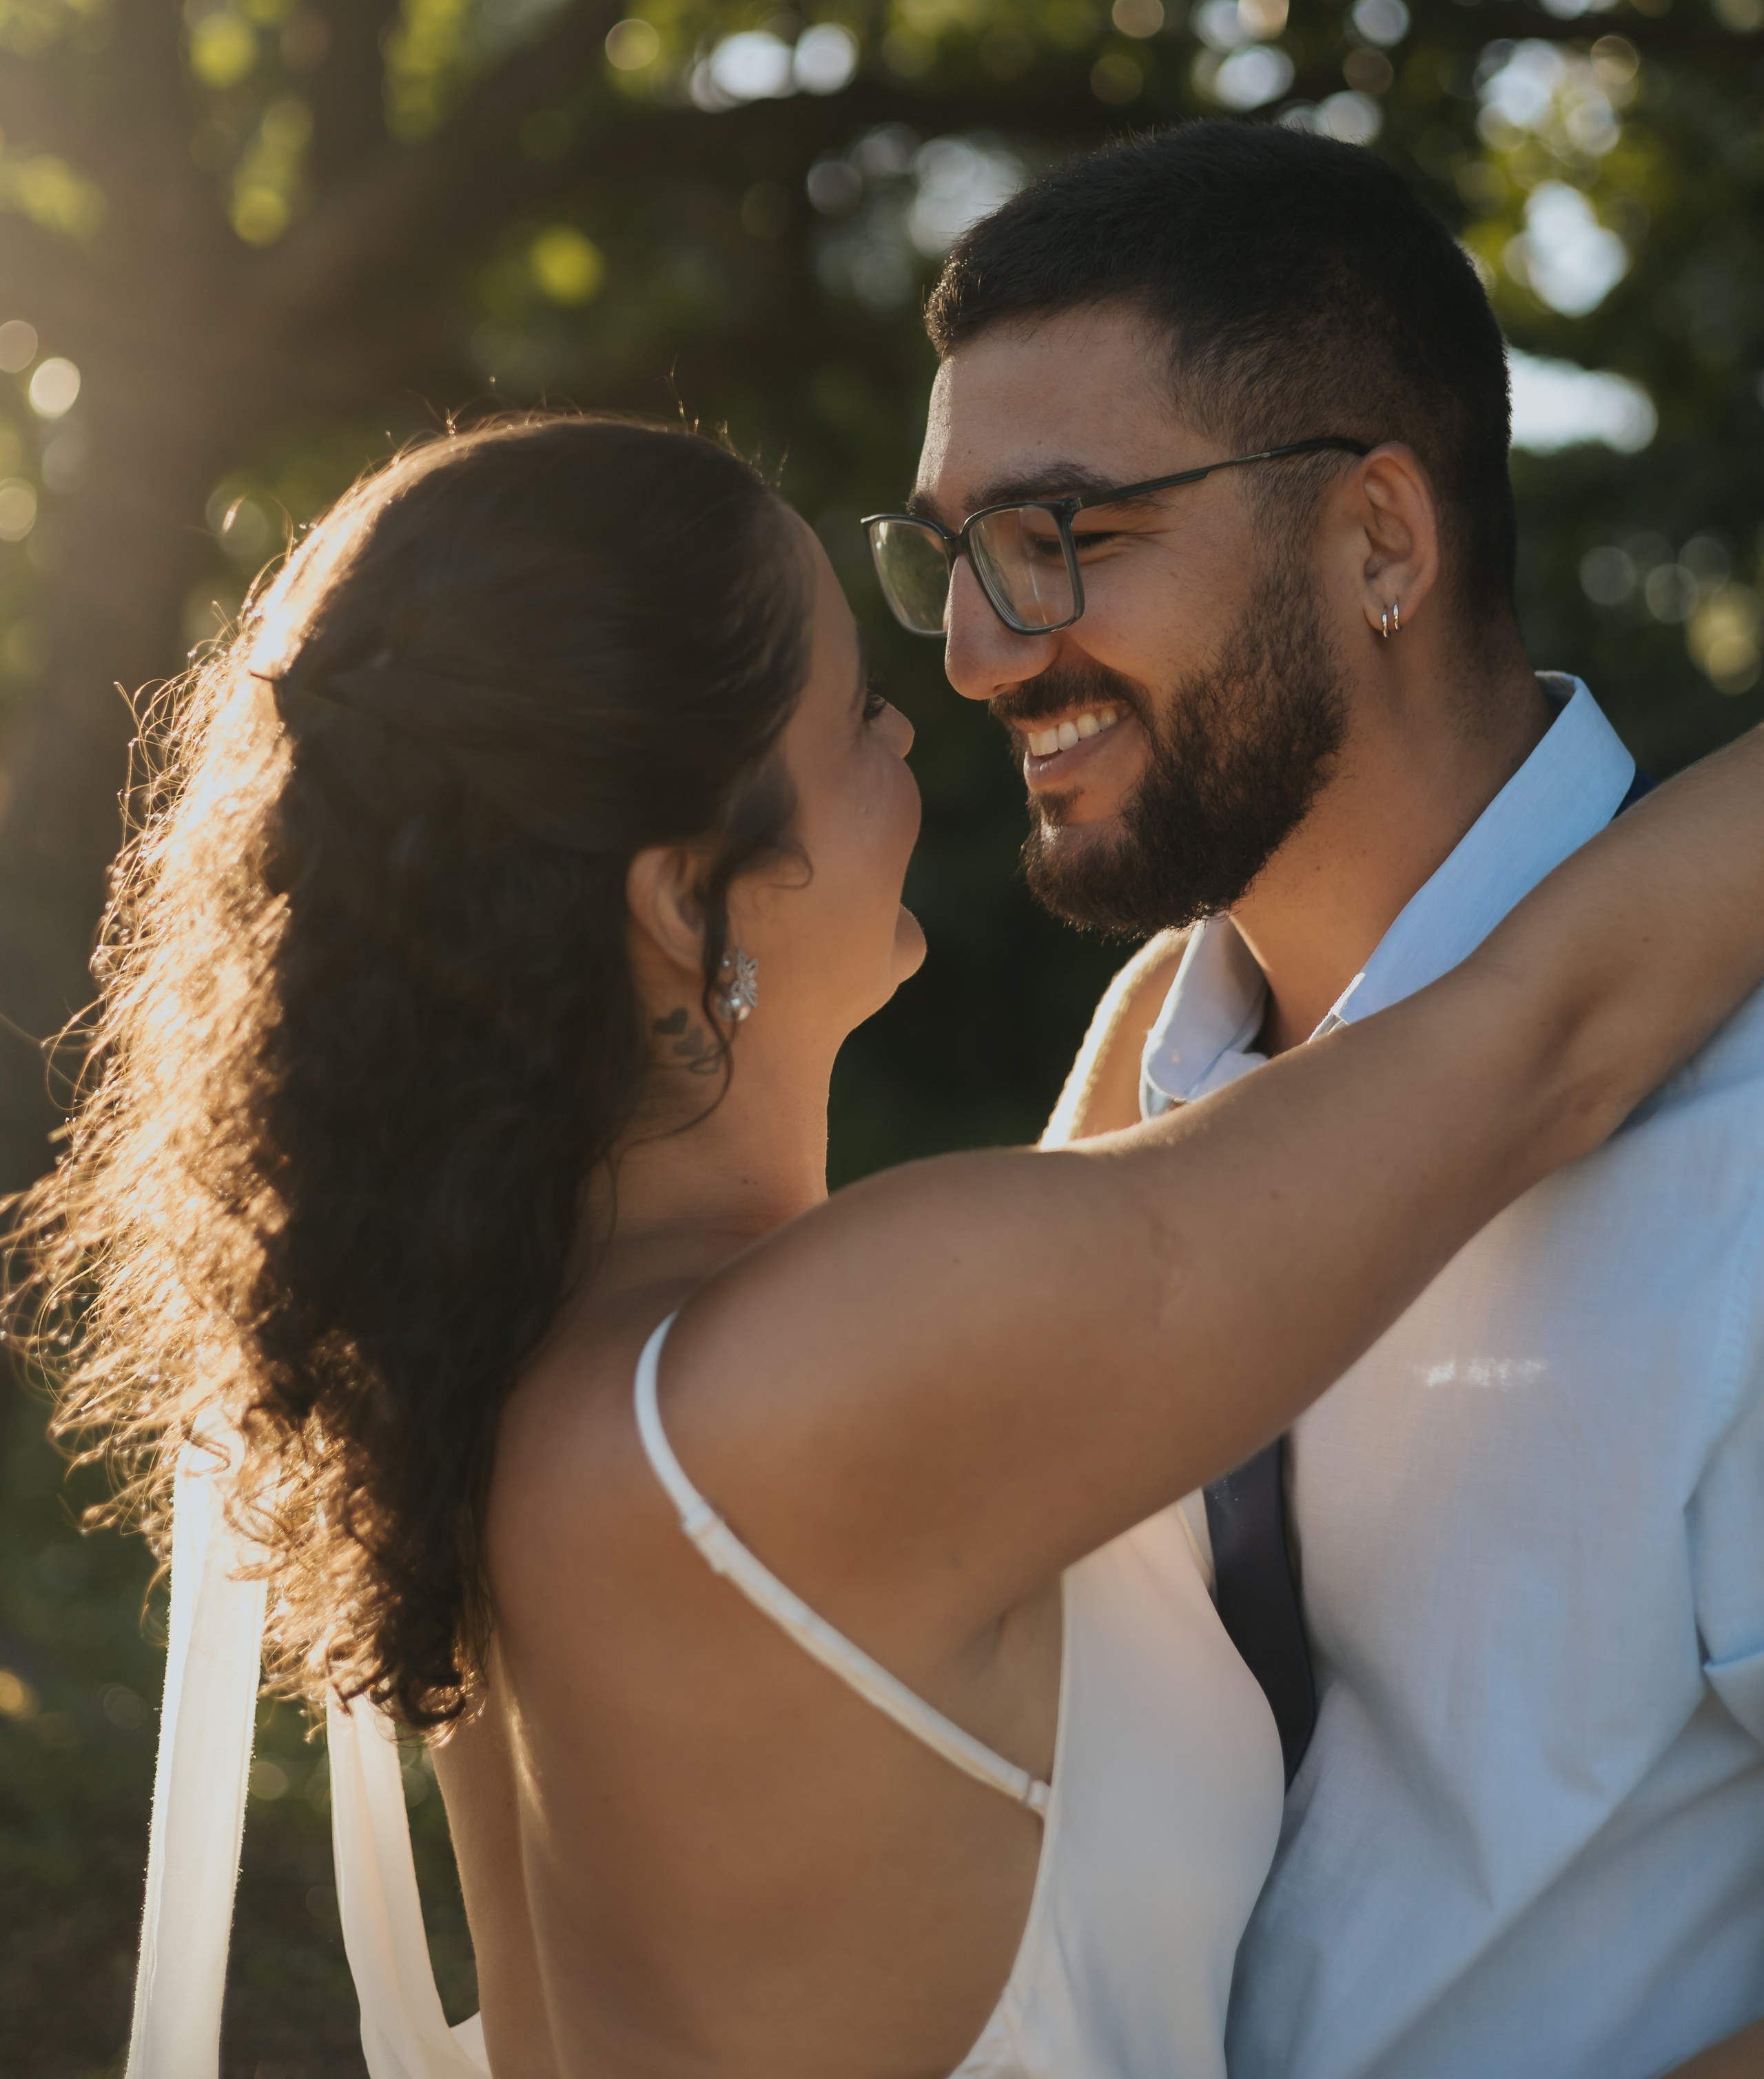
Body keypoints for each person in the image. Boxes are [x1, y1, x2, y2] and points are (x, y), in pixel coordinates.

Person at [17, 415, 1764, 2079]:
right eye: (853, 713)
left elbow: (1139, 1163)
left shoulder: (524, 1377)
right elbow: (1540, 1043)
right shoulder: (823, 1372)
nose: (925, 725)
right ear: (684, 899)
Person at [871, 120, 1764, 2079]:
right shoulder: (1140, 1068)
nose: (976, 651)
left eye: (1062, 533)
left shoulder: (1744, 1135)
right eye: (949, 555)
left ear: (1379, 541)